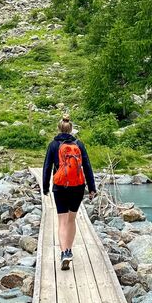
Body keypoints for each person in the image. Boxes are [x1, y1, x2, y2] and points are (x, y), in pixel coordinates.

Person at [42, 114, 96, 270]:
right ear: (71, 129)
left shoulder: (53, 145)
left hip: (60, 187)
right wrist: (92, 188)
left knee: (62, 221)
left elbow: (47, 167)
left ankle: (64, 252)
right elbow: (87, 166)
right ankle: (70, 250)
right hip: (78, 186)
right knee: (72, 219)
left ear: (58, 128)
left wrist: (45, 187)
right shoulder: (79, 144)